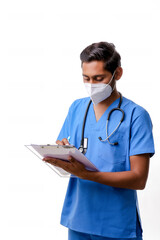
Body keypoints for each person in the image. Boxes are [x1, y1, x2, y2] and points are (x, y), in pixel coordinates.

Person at [43, 42, 155, 240]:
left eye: (98, 78)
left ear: (117, 73)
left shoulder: (136, 116)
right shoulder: (77, 108)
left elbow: (139, 179)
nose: (91, 85)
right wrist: (60, 155)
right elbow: (64, 147)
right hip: (79, 219)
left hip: (115, 224)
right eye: (86, 78)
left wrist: (87, 175)